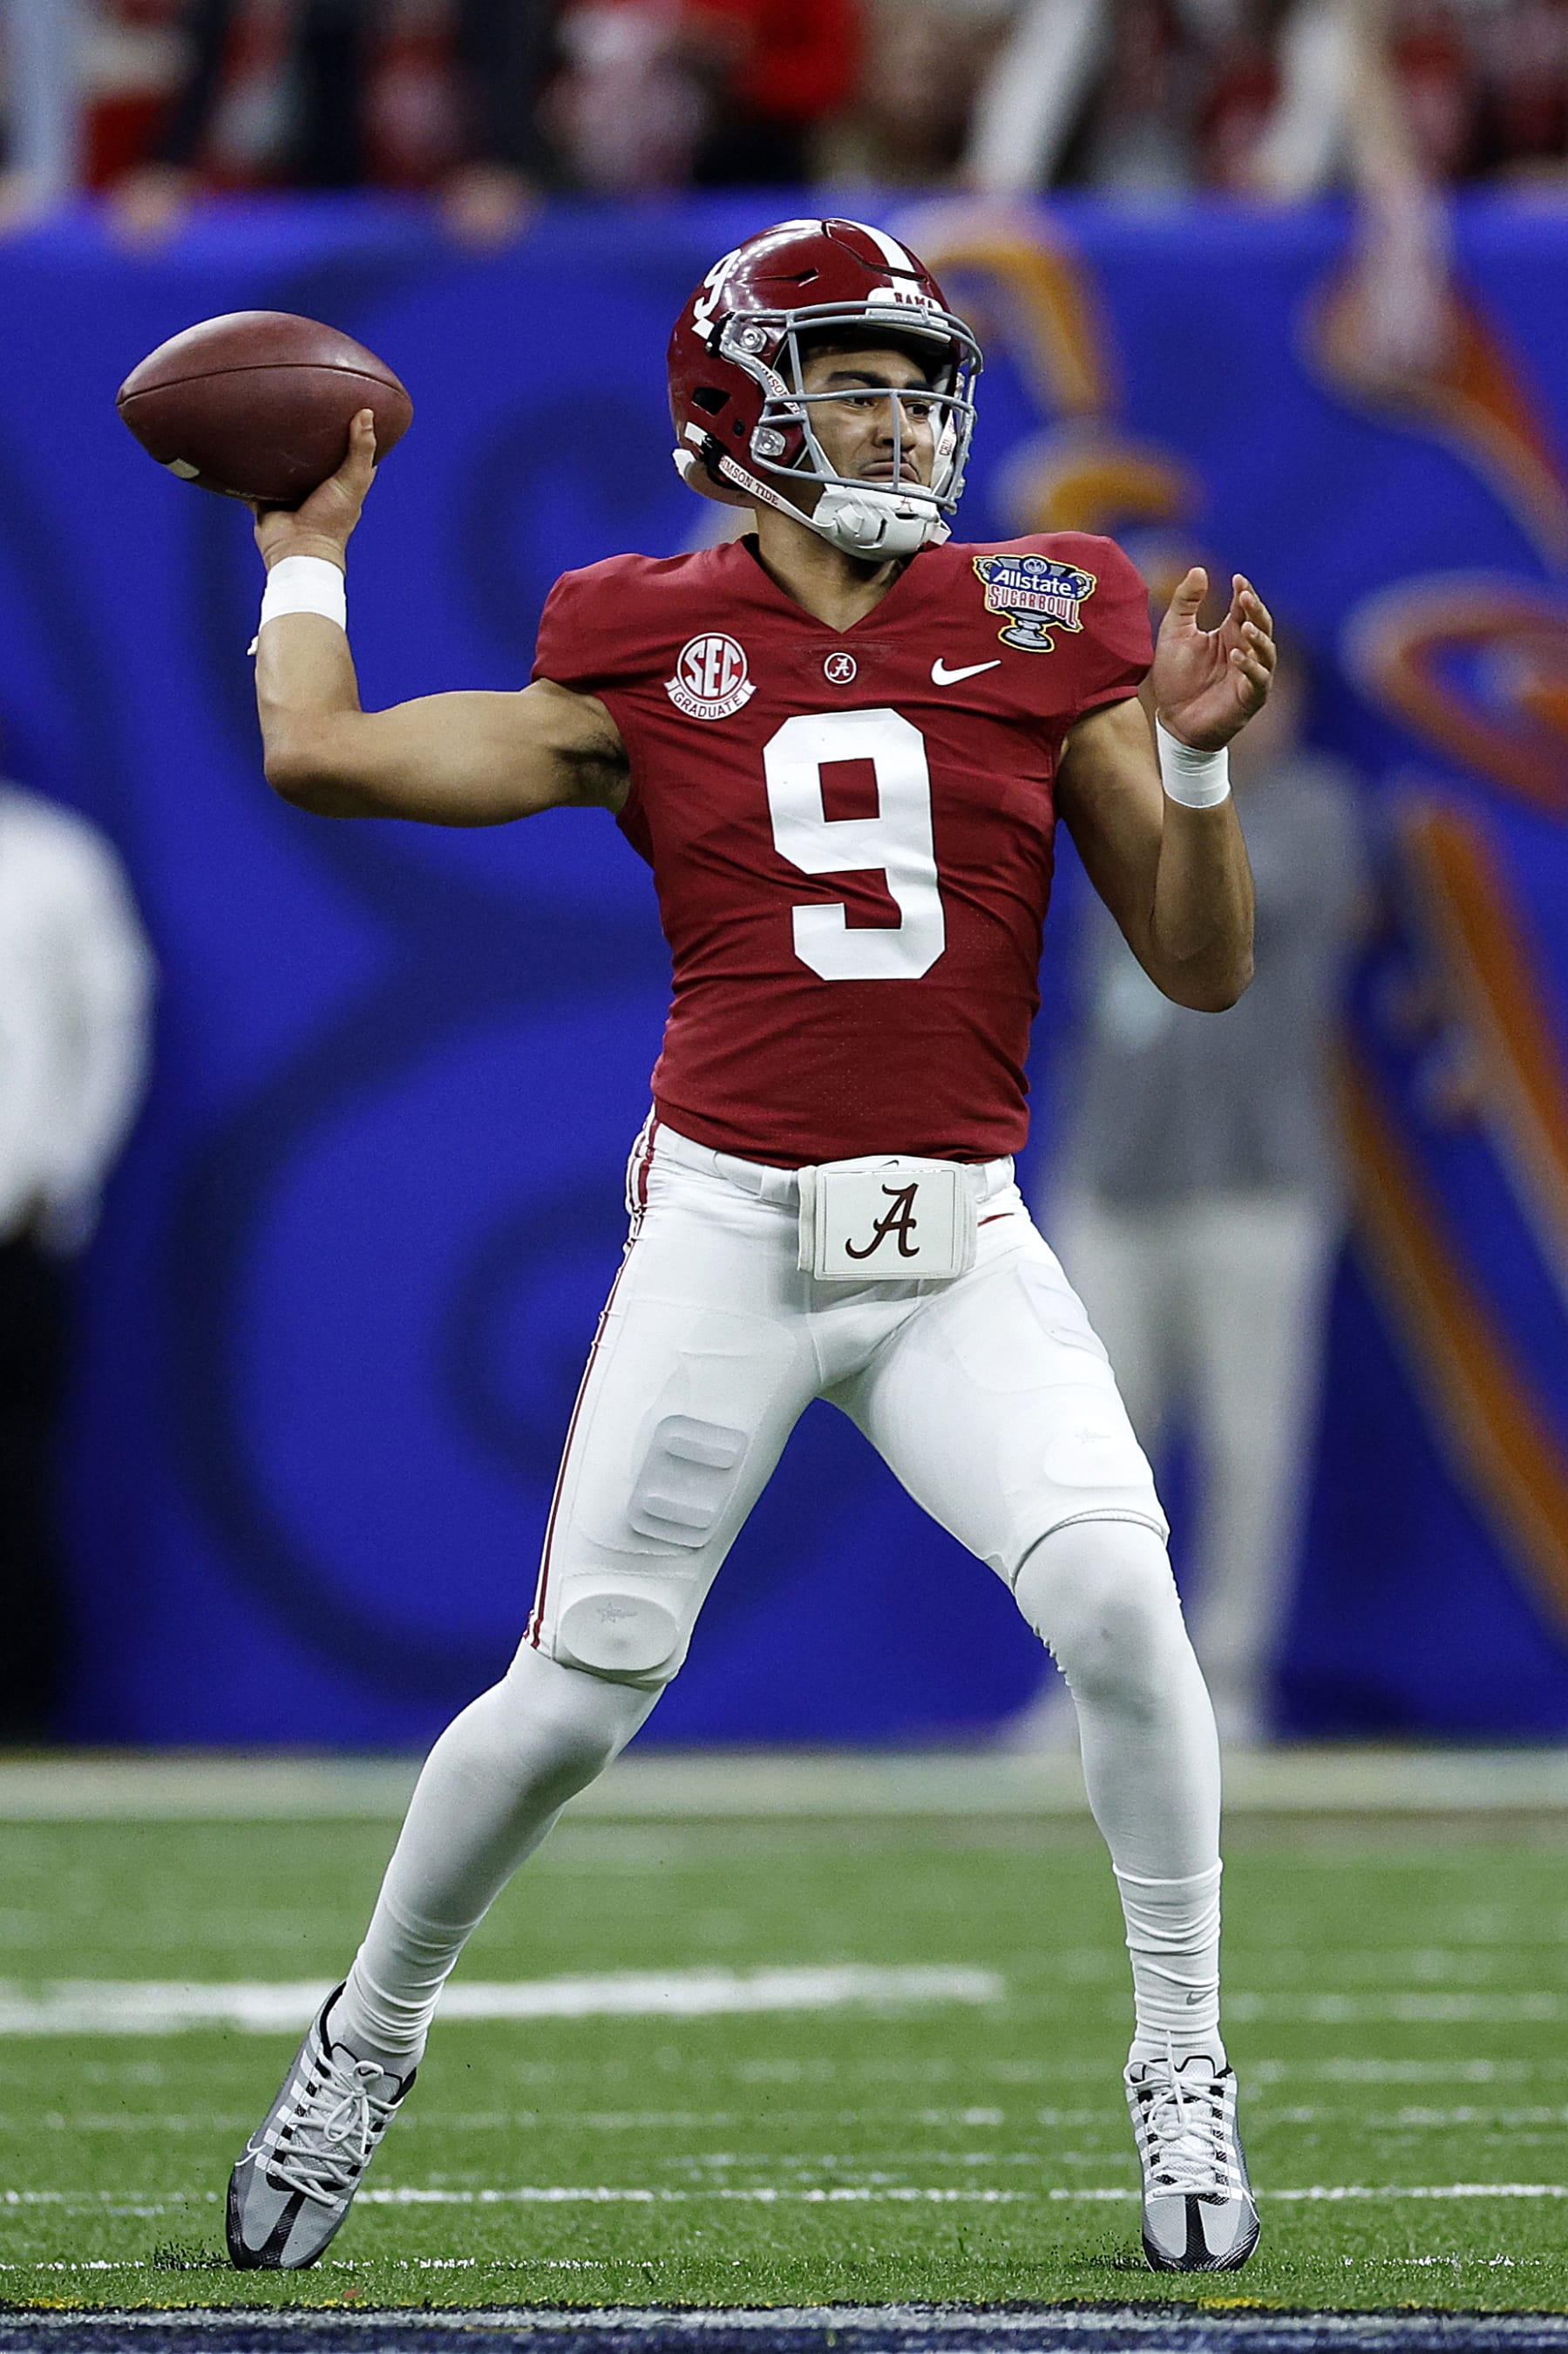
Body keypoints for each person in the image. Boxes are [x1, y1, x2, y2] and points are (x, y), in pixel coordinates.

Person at [221, 217, 1274, 2277]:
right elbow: (319, 753)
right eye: (855, 380)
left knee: (1126, 1612)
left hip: (959, 1229)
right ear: (739, 409)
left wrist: (1205, 757)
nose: (902, 418)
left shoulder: (1047, 613)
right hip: (729, 1217)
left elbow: (1203, 963)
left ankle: (1182, 2047)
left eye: (915, 381)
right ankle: (369, 2031)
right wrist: (300, 550)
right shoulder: (641, 636)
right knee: (579, 1686)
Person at [1041, 638, 1368, 1746]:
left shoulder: (1315, 812)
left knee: (1246, 1447)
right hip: (1112, 1177)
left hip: (1256, 1185)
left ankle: (1227, 1685)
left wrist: (1181, 769)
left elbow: (1218, 904)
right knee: (1089, 1456)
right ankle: (1093, 1691)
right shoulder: (1111, 790)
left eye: (1260, 692)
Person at [0, 766, 156, 1738]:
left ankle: (18, 1712)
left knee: (12, 1477)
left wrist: (62, 1176)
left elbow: (110, 1027)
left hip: (11, 1238)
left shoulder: (51, 858)